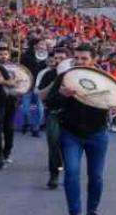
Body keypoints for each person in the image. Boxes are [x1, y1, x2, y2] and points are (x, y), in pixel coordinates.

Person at [47, 45, 116, 215]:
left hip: (98, 134)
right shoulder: (66, 77)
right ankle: (75, 212)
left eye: (84, 58)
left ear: (93, 59)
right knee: (71, 174)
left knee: (96, 177)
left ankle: (92, 210)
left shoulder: (105, 79)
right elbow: (50, 102)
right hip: (70, 134)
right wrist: (61, 95)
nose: (80, 62)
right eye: (77, 58)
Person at [39, 48, 69, 190]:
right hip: (54, 113)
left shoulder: (76, 74)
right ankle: (54, 175)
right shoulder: (49, 74)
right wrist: (57, 80)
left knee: (69, 146)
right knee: (53, 145)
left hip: (72, 115)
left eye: (62, 58)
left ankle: (68, 172)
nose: (58, 61)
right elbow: (42, 95)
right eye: (56, 58)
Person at [0, 46, 19, 162]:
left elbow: (17, 83)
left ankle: (7, 153)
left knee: (9, 129)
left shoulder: (15, 68)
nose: (3, 56)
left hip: (10, 100)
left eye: (5, 54)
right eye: (0, 54)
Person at [20, 38, 48, 137]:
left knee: (40, 110)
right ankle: (27, 123)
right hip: (28, 86)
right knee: (25, 109)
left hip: (39, 87)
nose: (43, 46)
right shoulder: (26, 56)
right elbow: (22, 69)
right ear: (35, 45)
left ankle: (35, 128)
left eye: (44, 44)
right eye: (41, 44)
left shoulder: (46, 57)